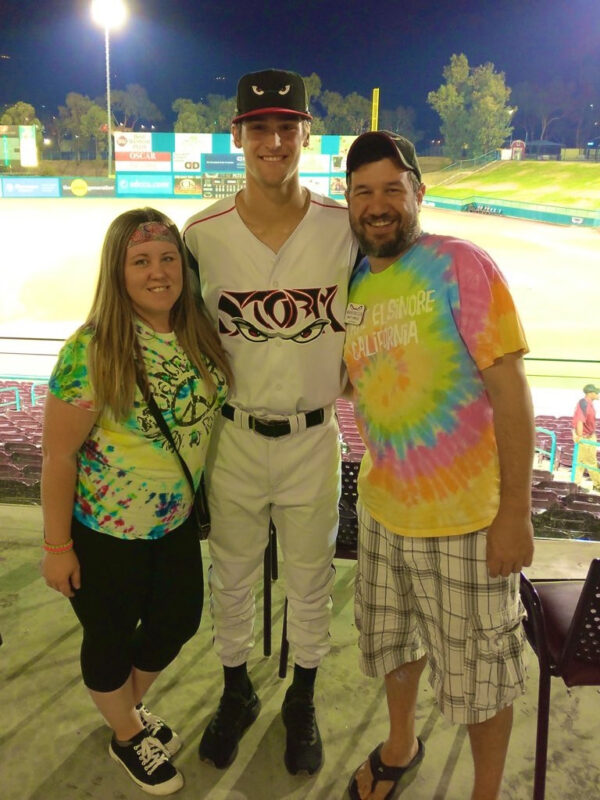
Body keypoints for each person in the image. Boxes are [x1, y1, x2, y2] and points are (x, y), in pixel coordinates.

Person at [342, 131, 535, 800]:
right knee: (393, 645)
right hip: (384, 509)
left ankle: (485, 792)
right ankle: (401, 743)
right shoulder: (358, 281)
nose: (377, 205)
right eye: (362, 192)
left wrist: (514, 513)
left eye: (392, 190)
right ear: (349, 203)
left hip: (466, 522)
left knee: (482, 674)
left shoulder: (461, 264)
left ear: (418, 194)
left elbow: (510, 390)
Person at [182, 68, 358, 776]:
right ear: (238, 137)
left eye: (288, 127)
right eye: (260, 128)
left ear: (307, 135)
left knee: (312, 579)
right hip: (235, 437)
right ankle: (236, 691)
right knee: (231, 577)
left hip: (315, 436)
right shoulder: (202, 233)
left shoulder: (344, 228)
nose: (274, 140)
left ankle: (302, 699)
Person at [41, 208, 230, 795]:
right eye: (141, 261)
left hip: (172, 523)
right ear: (117, 271)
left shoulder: (195, 329)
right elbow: (57, 457)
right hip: (105, 534)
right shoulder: (92, 349)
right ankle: (126, 735)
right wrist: (56, 547)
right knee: (109, 638)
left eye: (168, 258)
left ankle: (123, 710)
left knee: (177, 621)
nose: (158, 272)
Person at [572, 383, 600, 490]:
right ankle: (596, 484)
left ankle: (576, 484)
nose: (598, 394)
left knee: (582, 462)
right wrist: (580, 437)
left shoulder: (589, 403)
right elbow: (579, 421)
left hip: (590, 436)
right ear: (590, 393)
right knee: (586, 462)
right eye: (596, 392)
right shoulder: (583, 404)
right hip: (585, 437)